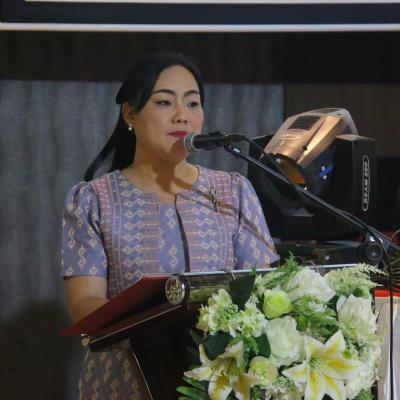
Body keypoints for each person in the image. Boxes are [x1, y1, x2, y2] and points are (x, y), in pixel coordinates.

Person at [61, 52, 279, 399]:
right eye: (165, 102)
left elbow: (266, 290)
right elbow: (84, 302)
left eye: (193, 103)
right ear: (129, 114)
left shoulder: (234, 191)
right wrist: (157, 319)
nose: (182, 115)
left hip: (223, 379)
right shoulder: (93, 199)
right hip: (125, 379)